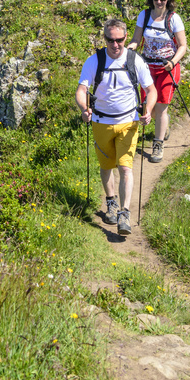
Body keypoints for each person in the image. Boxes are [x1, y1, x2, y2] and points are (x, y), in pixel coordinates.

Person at [75, 19, 157, 236]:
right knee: (106, 165)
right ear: (105, 39)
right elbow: (82, 89)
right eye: (110, 40)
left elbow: (151, 89)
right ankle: (110, 201)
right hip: (101, 122)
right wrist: (84, 108)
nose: (115, 45)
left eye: (120, 40)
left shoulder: (134, 60)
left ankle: (124, 212)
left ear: (125, 37)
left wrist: (147, 110)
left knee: (125, 168)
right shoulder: (94, 61)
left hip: (129, 122)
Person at [127, 0, 188, 164]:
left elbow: (183, 45)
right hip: (146, 67)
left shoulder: (173, 19)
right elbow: (136, 39)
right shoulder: (144, 16)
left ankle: (158, 143)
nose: (159, 2)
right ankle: (164, 127)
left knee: (161, 106)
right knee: (148, 107)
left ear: (168, 0)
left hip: (167, 68)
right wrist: (129, 49)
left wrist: (172, 61)